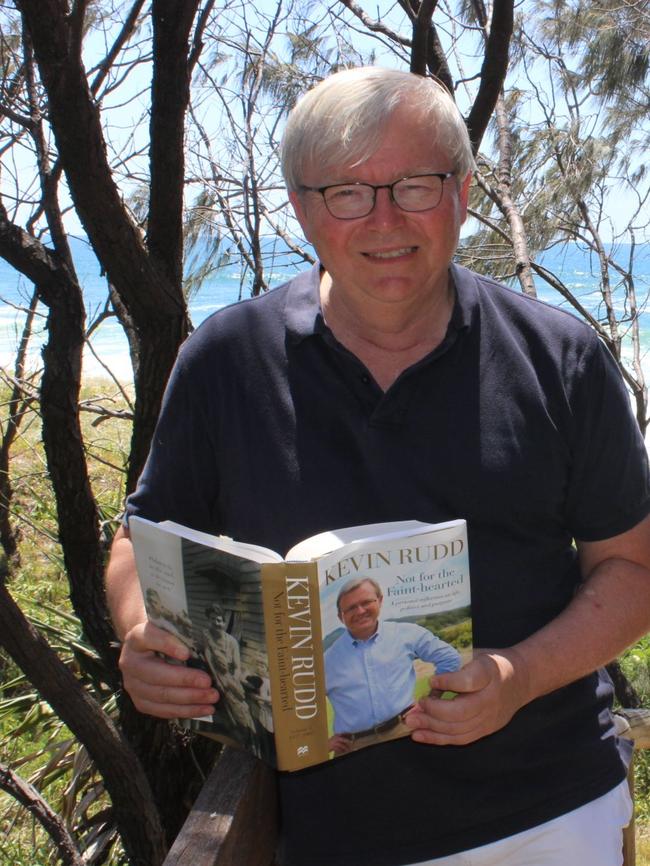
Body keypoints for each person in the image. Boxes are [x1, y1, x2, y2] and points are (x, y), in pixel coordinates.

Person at [105, 66, 650, 866]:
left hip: (548, 811)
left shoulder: (558, 359)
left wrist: (515, 675)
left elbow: (634, 569)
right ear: (301, 210)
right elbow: (141, 540)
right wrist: (140, 638)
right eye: (346, 192)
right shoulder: (228, 359)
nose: (385, 219)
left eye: (416, 185)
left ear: (462, 192)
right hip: (333, 835)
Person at [325, 577, 461, 754]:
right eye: (350, 608)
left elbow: (450, 658)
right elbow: (301, 708)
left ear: (380, 601)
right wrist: (322, 743)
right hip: (353, 747)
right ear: (340, 616)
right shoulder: (326, 660)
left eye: (366, 602)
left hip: (406, 731)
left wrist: (431, 700)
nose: (360, 611)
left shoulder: (407, 633)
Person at [200, 603, 257, 746]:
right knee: (225, 715)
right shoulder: (207, 637)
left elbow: (237, 667)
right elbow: (209, 658)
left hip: (231, 679)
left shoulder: (231, 642)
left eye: (219, 620)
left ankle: (250, 737)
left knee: (241, 711)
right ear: (209, 620)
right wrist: (218, 679)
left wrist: (232, 682)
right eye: (213, 619)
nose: (216, 623)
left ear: (224, 622)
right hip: (216, 679)